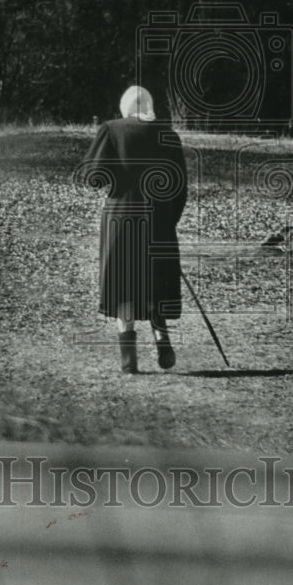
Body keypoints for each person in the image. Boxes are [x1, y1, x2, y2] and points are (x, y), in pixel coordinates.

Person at [81, 86, 188, 374]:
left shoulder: (111, 130)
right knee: (154, 283)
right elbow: (180, 191)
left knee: (124, 287)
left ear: (124, 107)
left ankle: (129, 361)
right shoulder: (170, 135)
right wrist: (168, 222)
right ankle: (161, 337)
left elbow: (93, 177)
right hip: (159, 221)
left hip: (121, 219)